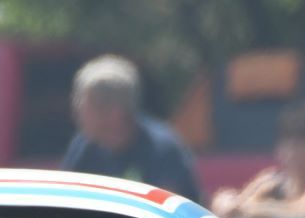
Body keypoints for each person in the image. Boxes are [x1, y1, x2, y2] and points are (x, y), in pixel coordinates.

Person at [62, 56, 202, 203]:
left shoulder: (162, 150)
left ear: (116, 112)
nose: (77, 112)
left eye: (87, 105)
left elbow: (167, 209)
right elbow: (66, 201)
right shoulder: (84, 148)